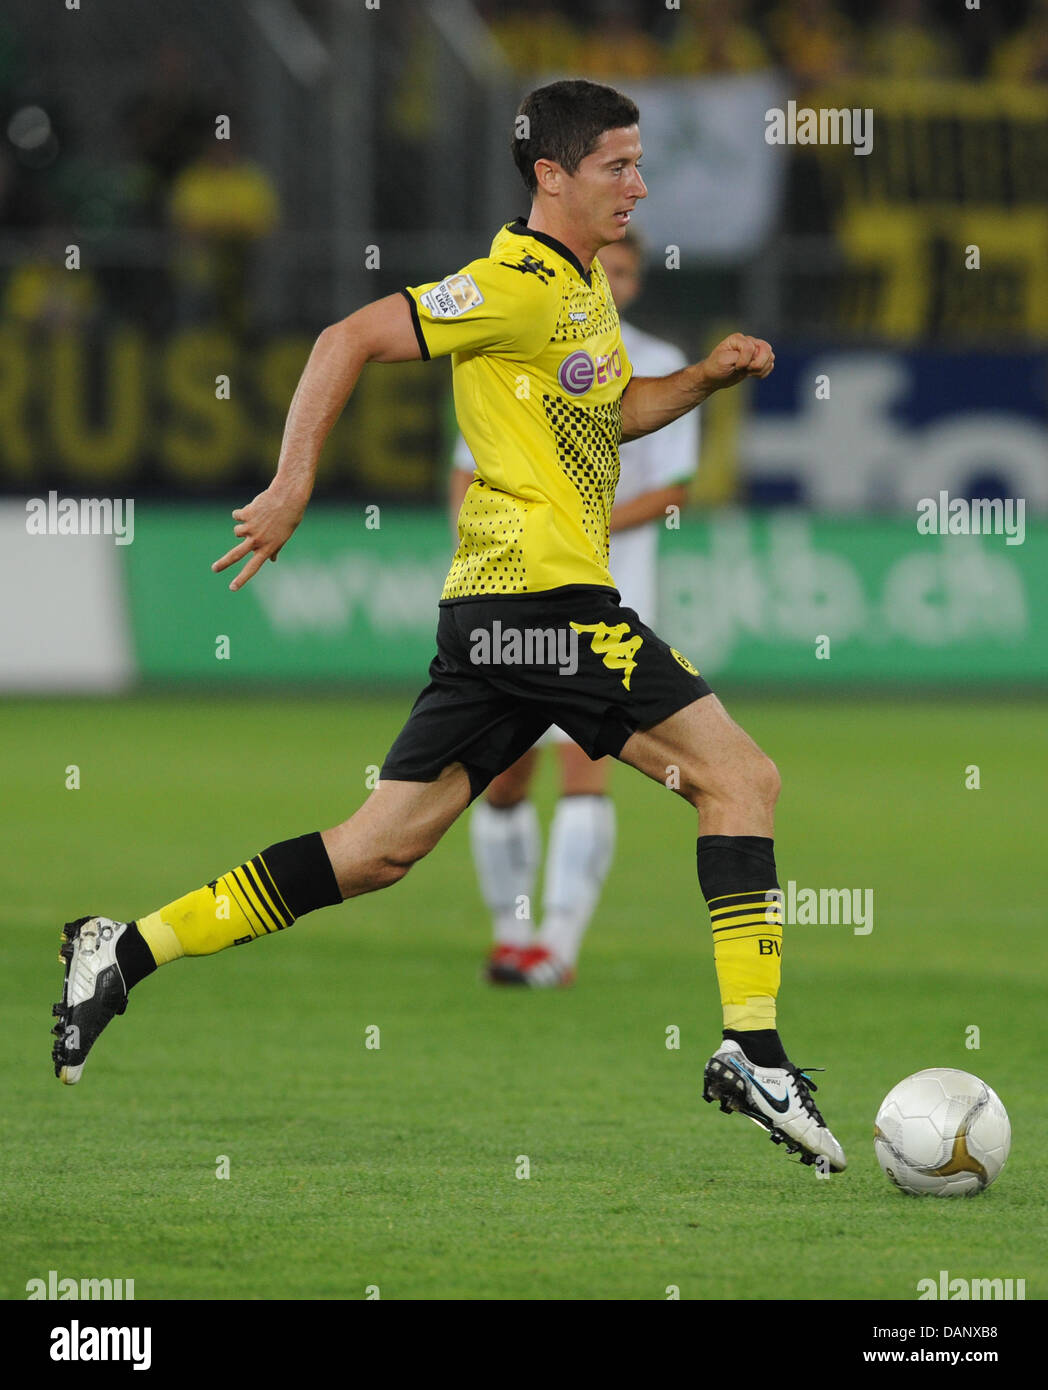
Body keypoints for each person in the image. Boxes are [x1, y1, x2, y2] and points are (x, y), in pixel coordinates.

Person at [51, 79, 845, 1173]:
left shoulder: (577, 288)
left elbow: (609, 412)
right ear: (551, 174)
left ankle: (124, 949)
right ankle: (751, 1047)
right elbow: (345, 338)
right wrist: (288, 487)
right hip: (545, 602)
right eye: (618, 165)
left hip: (499, 613)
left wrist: (703, 377)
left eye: (638, 162)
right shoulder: (511, 281)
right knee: (740, 778)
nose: (639, 184)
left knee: (377, 850)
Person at [449, 228, 697, 988]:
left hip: (611, 599)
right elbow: (466, 477)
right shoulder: (520, 343)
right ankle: (511, 931)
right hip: (517, 593)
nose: (613, 281)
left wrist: (573, 521)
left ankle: (557, 945)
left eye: (625, 270)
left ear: (638, 280)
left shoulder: (657, 365)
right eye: (604, 267)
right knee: (505, 776)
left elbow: (672, 491)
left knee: (588, 765)